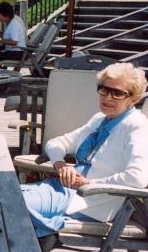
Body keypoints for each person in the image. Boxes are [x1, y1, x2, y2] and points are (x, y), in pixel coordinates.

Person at [21, 63, 148, 237]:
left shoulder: (136, 126)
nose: (108, 98)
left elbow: (137, 177)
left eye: (118, 93)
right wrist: (60, 165)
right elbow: (56, 143)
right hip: (61, 189)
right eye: (104, 89)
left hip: (87, 201)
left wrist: (89, 184)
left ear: (133, 98)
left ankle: (36, 237)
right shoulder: (100, 119)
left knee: (12, 206)